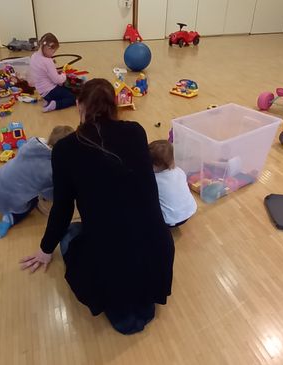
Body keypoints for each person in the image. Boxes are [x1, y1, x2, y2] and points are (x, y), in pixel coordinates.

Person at [19, 79, 175, 335]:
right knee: (136, 303)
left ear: (79, 105)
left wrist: (45, 249)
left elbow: (62, 209)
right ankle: (136, 298)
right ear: (116, 105)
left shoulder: (65, 149)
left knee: (70, 235)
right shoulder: (137, 131)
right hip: (157, 248)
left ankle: (123, 301)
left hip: (110, 261)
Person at [0, 126, 75, 239]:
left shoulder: (31, 144)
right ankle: (11, 218)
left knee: (8, 179)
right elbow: (50, 196)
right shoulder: (51, 170)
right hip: (4, 203)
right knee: (34, 201)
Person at [148, 140, 197, 227]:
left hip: (169, 220)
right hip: (189, 211)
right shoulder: (179, 171)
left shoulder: (154, 180)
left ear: (155, 165)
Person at [28, 33, 76, 112]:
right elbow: (57, 80)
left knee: (64, 90)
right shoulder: (47, 61)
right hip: (50, 91)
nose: (52, 54)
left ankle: (48, 100)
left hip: (42, 91)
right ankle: (55, 105)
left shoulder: (34, 56)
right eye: (53, 52)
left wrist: (55, 71)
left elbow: (42, 72)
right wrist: (64, 74)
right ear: (47, 48)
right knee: (72, 97)